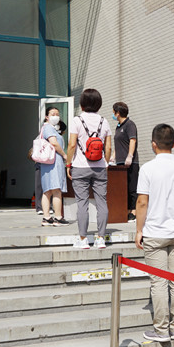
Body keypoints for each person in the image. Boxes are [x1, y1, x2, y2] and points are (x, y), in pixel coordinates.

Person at [135, 124, 174, 343]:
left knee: (158, 283)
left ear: (153, 144)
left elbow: (142, 202)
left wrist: (139, 230)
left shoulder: (148, 168)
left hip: (155, 232)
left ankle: (161, 330)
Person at [65, 89, 112, 249]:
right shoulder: (104, 121)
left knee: (82, 203)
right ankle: (101, 238)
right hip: (100, 168)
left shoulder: (77, 120)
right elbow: (108, 147)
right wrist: (105, 163)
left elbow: (72, 145)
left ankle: (83, 239)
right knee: (102, 202)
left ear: (82, 104)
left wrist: (68, 164)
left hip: (80, 166)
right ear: (99, 103)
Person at [39, 107, 70, 227]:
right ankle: (58, 217)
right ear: (47, 117)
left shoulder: (49, 128)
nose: (56, 116)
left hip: (48, 163)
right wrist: (64, 155)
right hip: (54, 162)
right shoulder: (48, 128)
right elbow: (54, 143)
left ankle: (47, 217)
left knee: (47, 191)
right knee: (56, 190)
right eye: (53, 114)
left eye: (57, 114)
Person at [112, 102, 139, 220]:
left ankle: (134, 211)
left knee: (132, 187)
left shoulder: (129, 124)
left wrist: (130, 156)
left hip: (130, 162)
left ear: (118, 113)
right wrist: (113, 156)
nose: (113, 114)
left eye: (113, 112)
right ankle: (126, 210)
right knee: (124, 188)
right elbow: (118, 143)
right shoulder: (118, 126)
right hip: (120, 162)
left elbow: (132, 140)